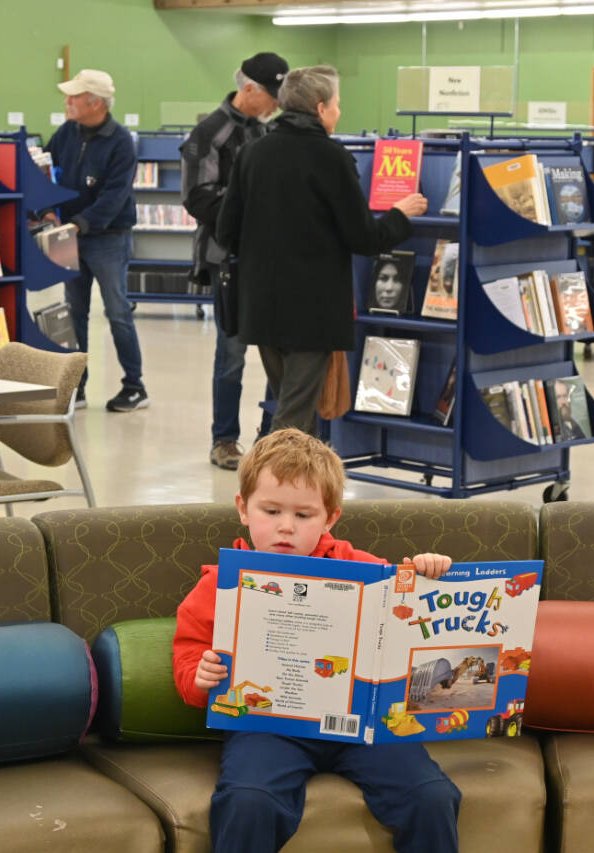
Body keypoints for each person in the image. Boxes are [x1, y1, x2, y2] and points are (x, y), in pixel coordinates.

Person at [171, 428, 462, 853]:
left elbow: (407, 614)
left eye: (304, 516)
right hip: (266, 727)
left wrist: (426, 575)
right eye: (270, 511)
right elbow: (189, 655)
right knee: (248, 801)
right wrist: (199, 676)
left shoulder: (362, 568)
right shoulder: (220, 586)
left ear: (330, 518)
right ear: (243, 509)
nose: (285, 527)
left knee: (432, 796)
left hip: (364, 727)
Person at [216, 66, 427, 435]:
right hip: (311, 311)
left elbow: (225, 230)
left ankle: (303, 487)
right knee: (293, 419)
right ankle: (273, 488)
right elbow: (364, 238)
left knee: (293, 404)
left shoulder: (252, 153)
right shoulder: (331, 157)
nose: (339, 112)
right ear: (320, 107)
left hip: (261, 304)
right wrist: (399, 215)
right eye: (337, 104)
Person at [182, 52, 288, 470]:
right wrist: (250, 203)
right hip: (227, 260)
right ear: (249, 90)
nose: (277, 104)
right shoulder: (209, 133)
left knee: (277, 353)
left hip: (271, 258)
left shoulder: (271, 132)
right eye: (272, 96)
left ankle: (270, 436)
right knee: (232, 354)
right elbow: (197, 198)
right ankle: (224, 439)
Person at [44, 69, 148, 412]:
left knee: (118, 311)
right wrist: (46, 209)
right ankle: (78, 386)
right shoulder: (66, 133)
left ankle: (135, 386)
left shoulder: (120, 141)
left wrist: (80, 224)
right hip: (70, 237)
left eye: (74, 97)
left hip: (107, 238)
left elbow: (115, 195)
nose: (67, 102)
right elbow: (47, 168)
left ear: (96, 102)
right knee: (75, 313)